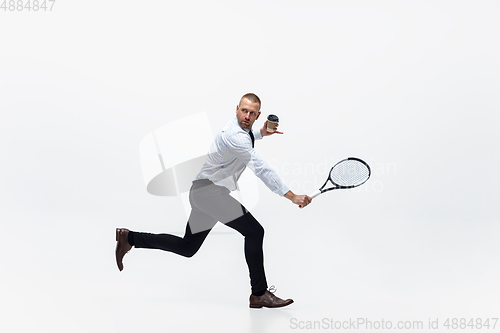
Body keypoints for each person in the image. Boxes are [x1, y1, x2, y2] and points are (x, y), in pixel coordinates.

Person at [115, 93, 312, 308]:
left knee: (187, 247)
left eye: (252, 113)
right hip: (209, 194)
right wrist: (291, 196)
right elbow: (261, 168)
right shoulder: (234, 135)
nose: (247, 116)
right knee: (255, 231)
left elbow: (247, 136)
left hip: (202, 193)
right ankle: (259, 293)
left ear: (258, 115)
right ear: (236, 108)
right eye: (244, 110)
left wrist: (262, 133)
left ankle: (130, 238)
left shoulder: (243, 133)